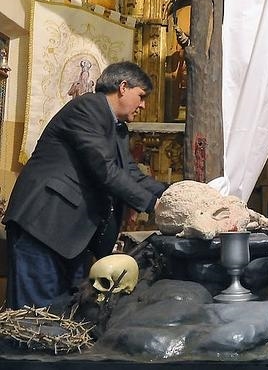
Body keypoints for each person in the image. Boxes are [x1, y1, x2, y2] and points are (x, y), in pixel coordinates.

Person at [3, 61, 167, 310]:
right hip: (44, 225)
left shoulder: (118, 128)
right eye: (141, 96)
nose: (143, 105)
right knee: (34, 318)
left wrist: (173, 195)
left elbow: (131, 174)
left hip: (73, 237)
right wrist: (153, 205)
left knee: (69, 317)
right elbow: (105, 169)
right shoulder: (87, 107)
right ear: (123, 87)